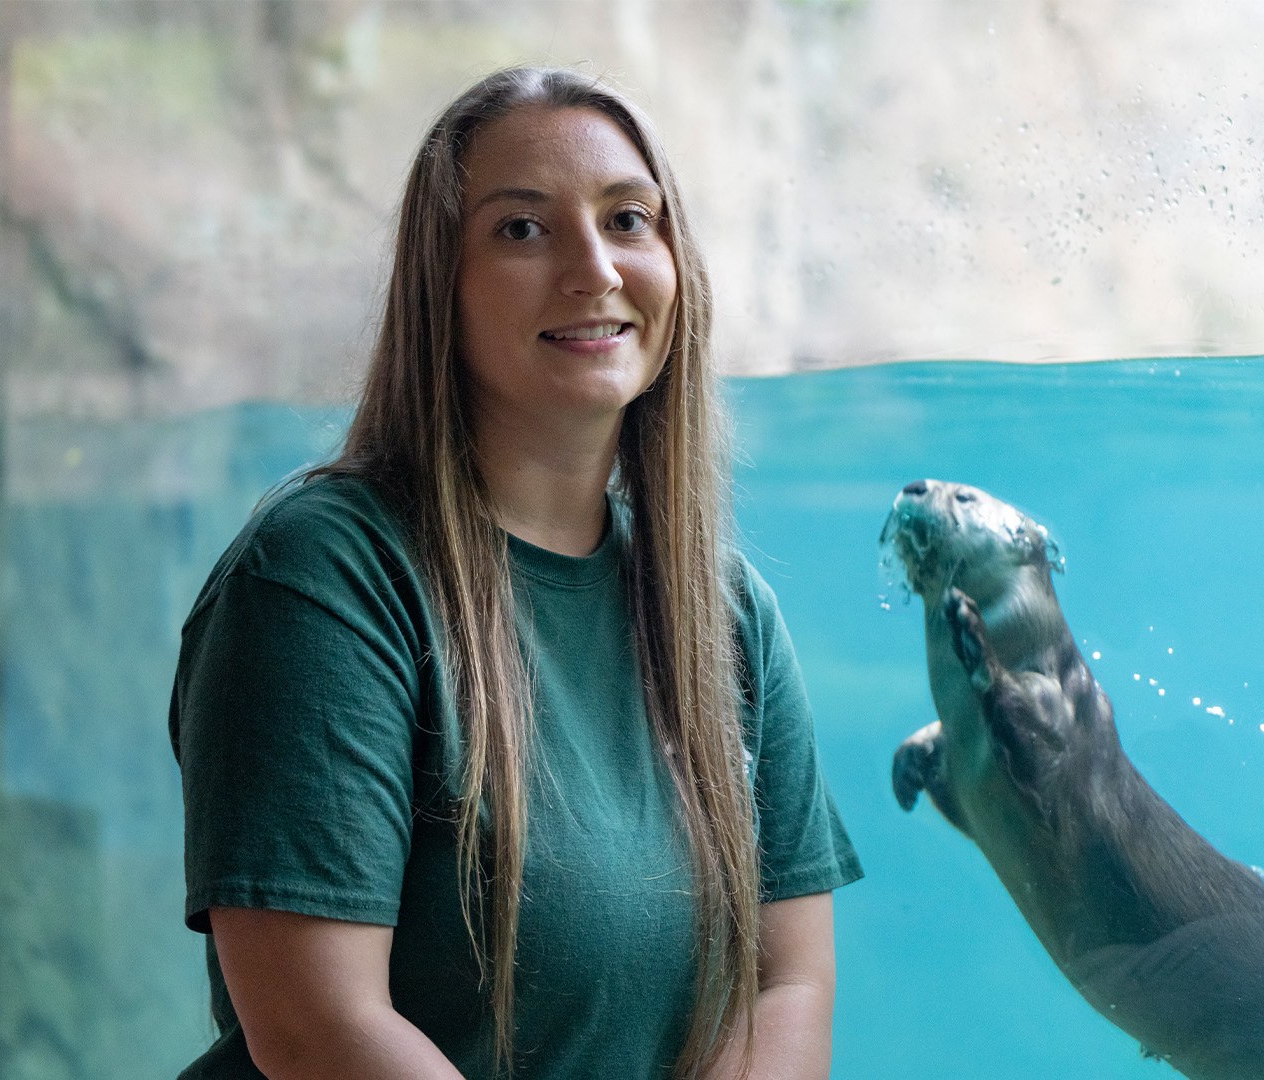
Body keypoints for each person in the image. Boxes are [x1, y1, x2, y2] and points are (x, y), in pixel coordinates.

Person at [169, 67, 862, 1080]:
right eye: (522, 230)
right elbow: (319, 1027)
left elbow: (787, 986)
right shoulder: (321, 575)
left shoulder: (728, 613)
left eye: (629, 220)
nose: (594, 270)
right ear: (437, 286)